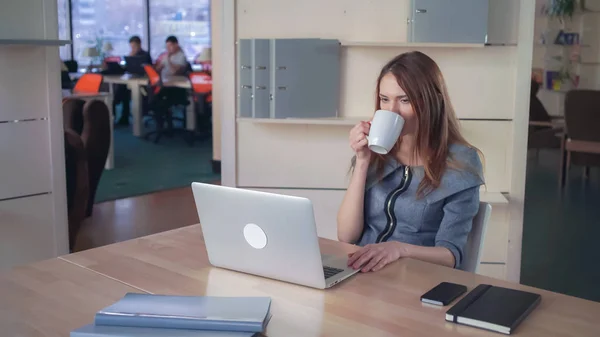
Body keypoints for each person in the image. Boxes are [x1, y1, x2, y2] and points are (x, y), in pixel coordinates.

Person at [337, 51, 484, 273]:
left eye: (404, 100)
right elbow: (346, 236)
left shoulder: (461, 163)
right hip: (360, 271)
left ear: (431, 102)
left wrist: (399, 249)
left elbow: (450, 254)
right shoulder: (375, 154)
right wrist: (362, 161)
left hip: (416, 278)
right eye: (384, 99)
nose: (391, 110)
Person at [112, 36, 152, 125]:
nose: (133, 48)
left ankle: (137, 119)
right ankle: (122, 117)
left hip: (143, 83)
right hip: (132, 80)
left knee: (127, 92)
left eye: (134, 46)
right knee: (121, 90)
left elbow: (149, 70)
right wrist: (130, 58)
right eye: (131, 46)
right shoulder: (131, 55)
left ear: (139, 45)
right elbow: (128, 69)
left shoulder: (145, 55)